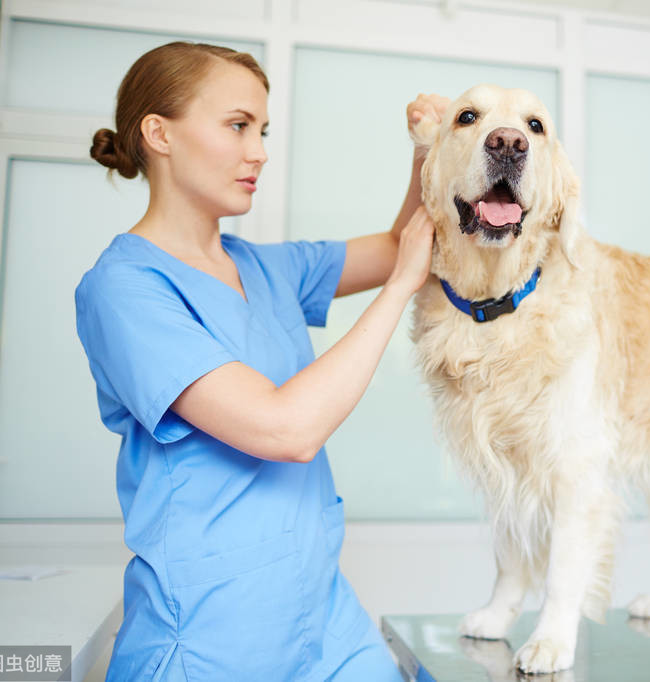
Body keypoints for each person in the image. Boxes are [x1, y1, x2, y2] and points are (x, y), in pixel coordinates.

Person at [76, 41, 446, 680]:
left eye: (264, 130)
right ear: (158, 133)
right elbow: (285, 429)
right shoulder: (125, 287)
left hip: (322, 615)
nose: (260, 152)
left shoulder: (269, 267)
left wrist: (426, 152)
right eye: (238, 126)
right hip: (208, 636)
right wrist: (398, 289)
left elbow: (396, 245)